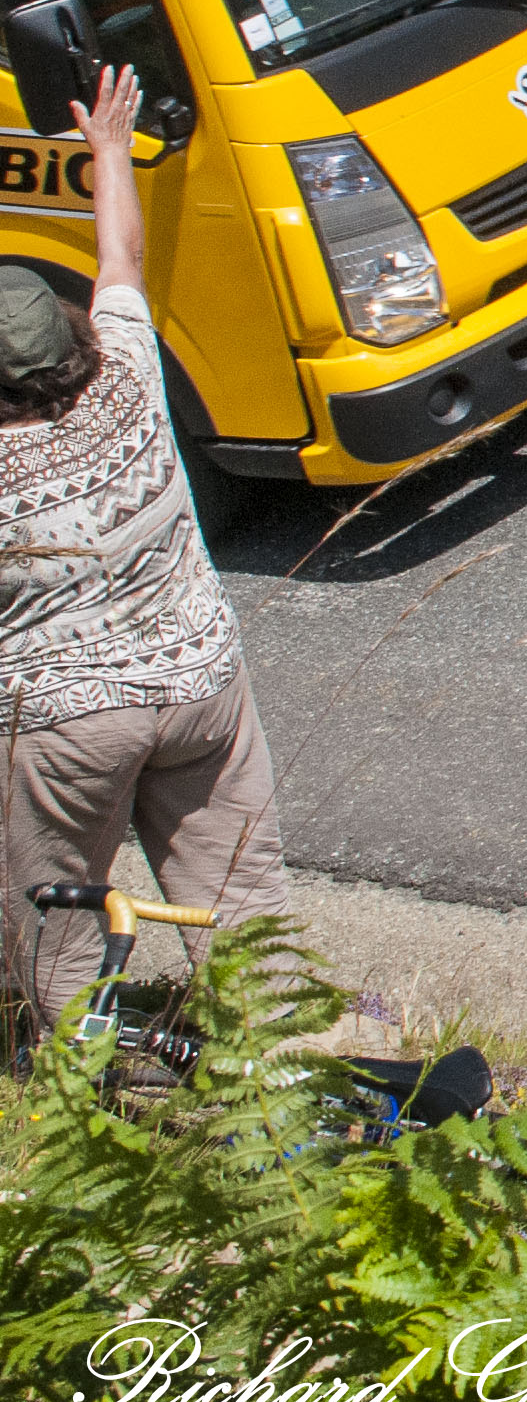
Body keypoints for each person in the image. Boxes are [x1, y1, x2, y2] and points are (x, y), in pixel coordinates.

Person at [0, 65, 286, 1036]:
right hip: (204, 685)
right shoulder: (126, 373)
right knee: (245, 908)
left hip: (68, 728)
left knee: (56, 925)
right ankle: (281, 1079)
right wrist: (111, 150)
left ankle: (88, 1089)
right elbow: (120, 257)